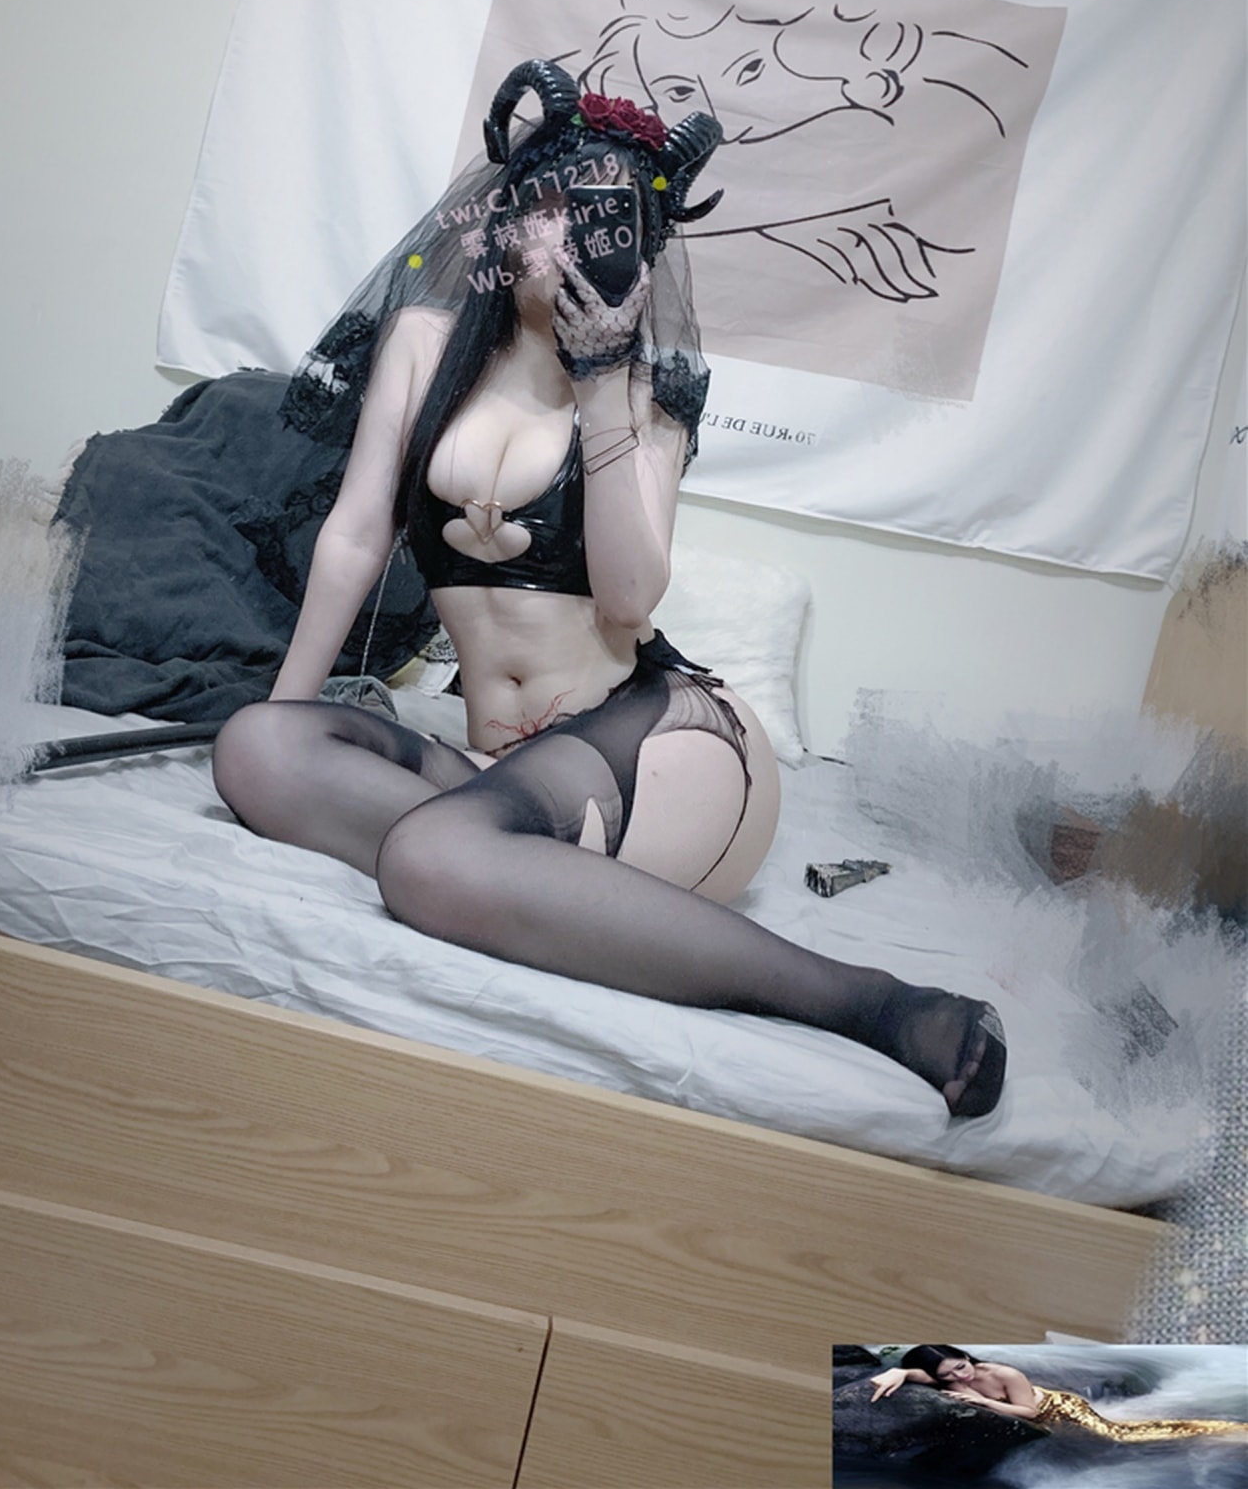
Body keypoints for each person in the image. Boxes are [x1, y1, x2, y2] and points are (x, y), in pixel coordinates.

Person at [213, 58, 1006, 1120]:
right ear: (506, 222)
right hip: (505, 764)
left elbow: (628, 604)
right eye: (554, 210)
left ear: (639, 245)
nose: (572, 238)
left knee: (432, 860)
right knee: (255, 749)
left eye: (605, 219)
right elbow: (356, 534)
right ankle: (510, 862)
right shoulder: (421, 344)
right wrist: (293, 705)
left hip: (658, 743)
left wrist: (598, 386)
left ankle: (871, 1002)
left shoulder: (647, 394)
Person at [870, 1345, 1247, 1441]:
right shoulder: (944, 1378)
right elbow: (917, 1374)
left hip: (1059, 1408)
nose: (959, 1377)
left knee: (1121, 1435)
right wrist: (897, 1371)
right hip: (1035, 1417)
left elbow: (1031, 1413)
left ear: (967, 1356)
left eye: (960, 1366)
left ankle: (1223, 1428)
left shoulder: (1003, 1373)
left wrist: (983, 1402)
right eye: (948, 1375)